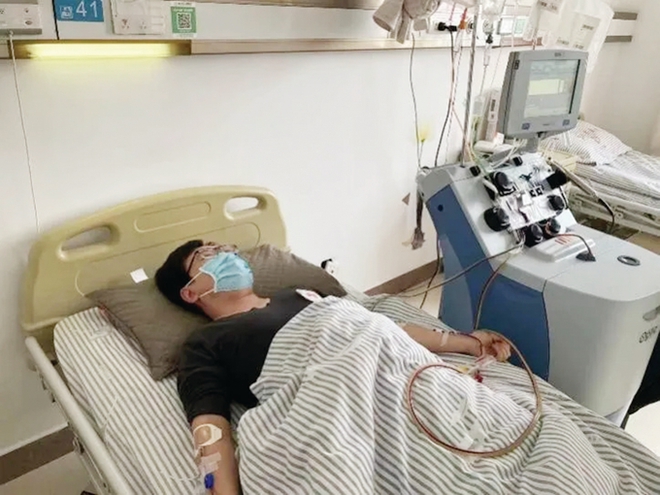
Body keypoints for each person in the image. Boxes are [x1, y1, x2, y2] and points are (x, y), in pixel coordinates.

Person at [155, 240, 512, 495]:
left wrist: (467, 343)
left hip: (397, 373)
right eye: (208, 254)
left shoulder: (297, 293)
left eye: (225, 248)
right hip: (329, 395)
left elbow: (380, 329)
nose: (227, 255)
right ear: (190, 292)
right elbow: (210, 428)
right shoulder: (204, 343)